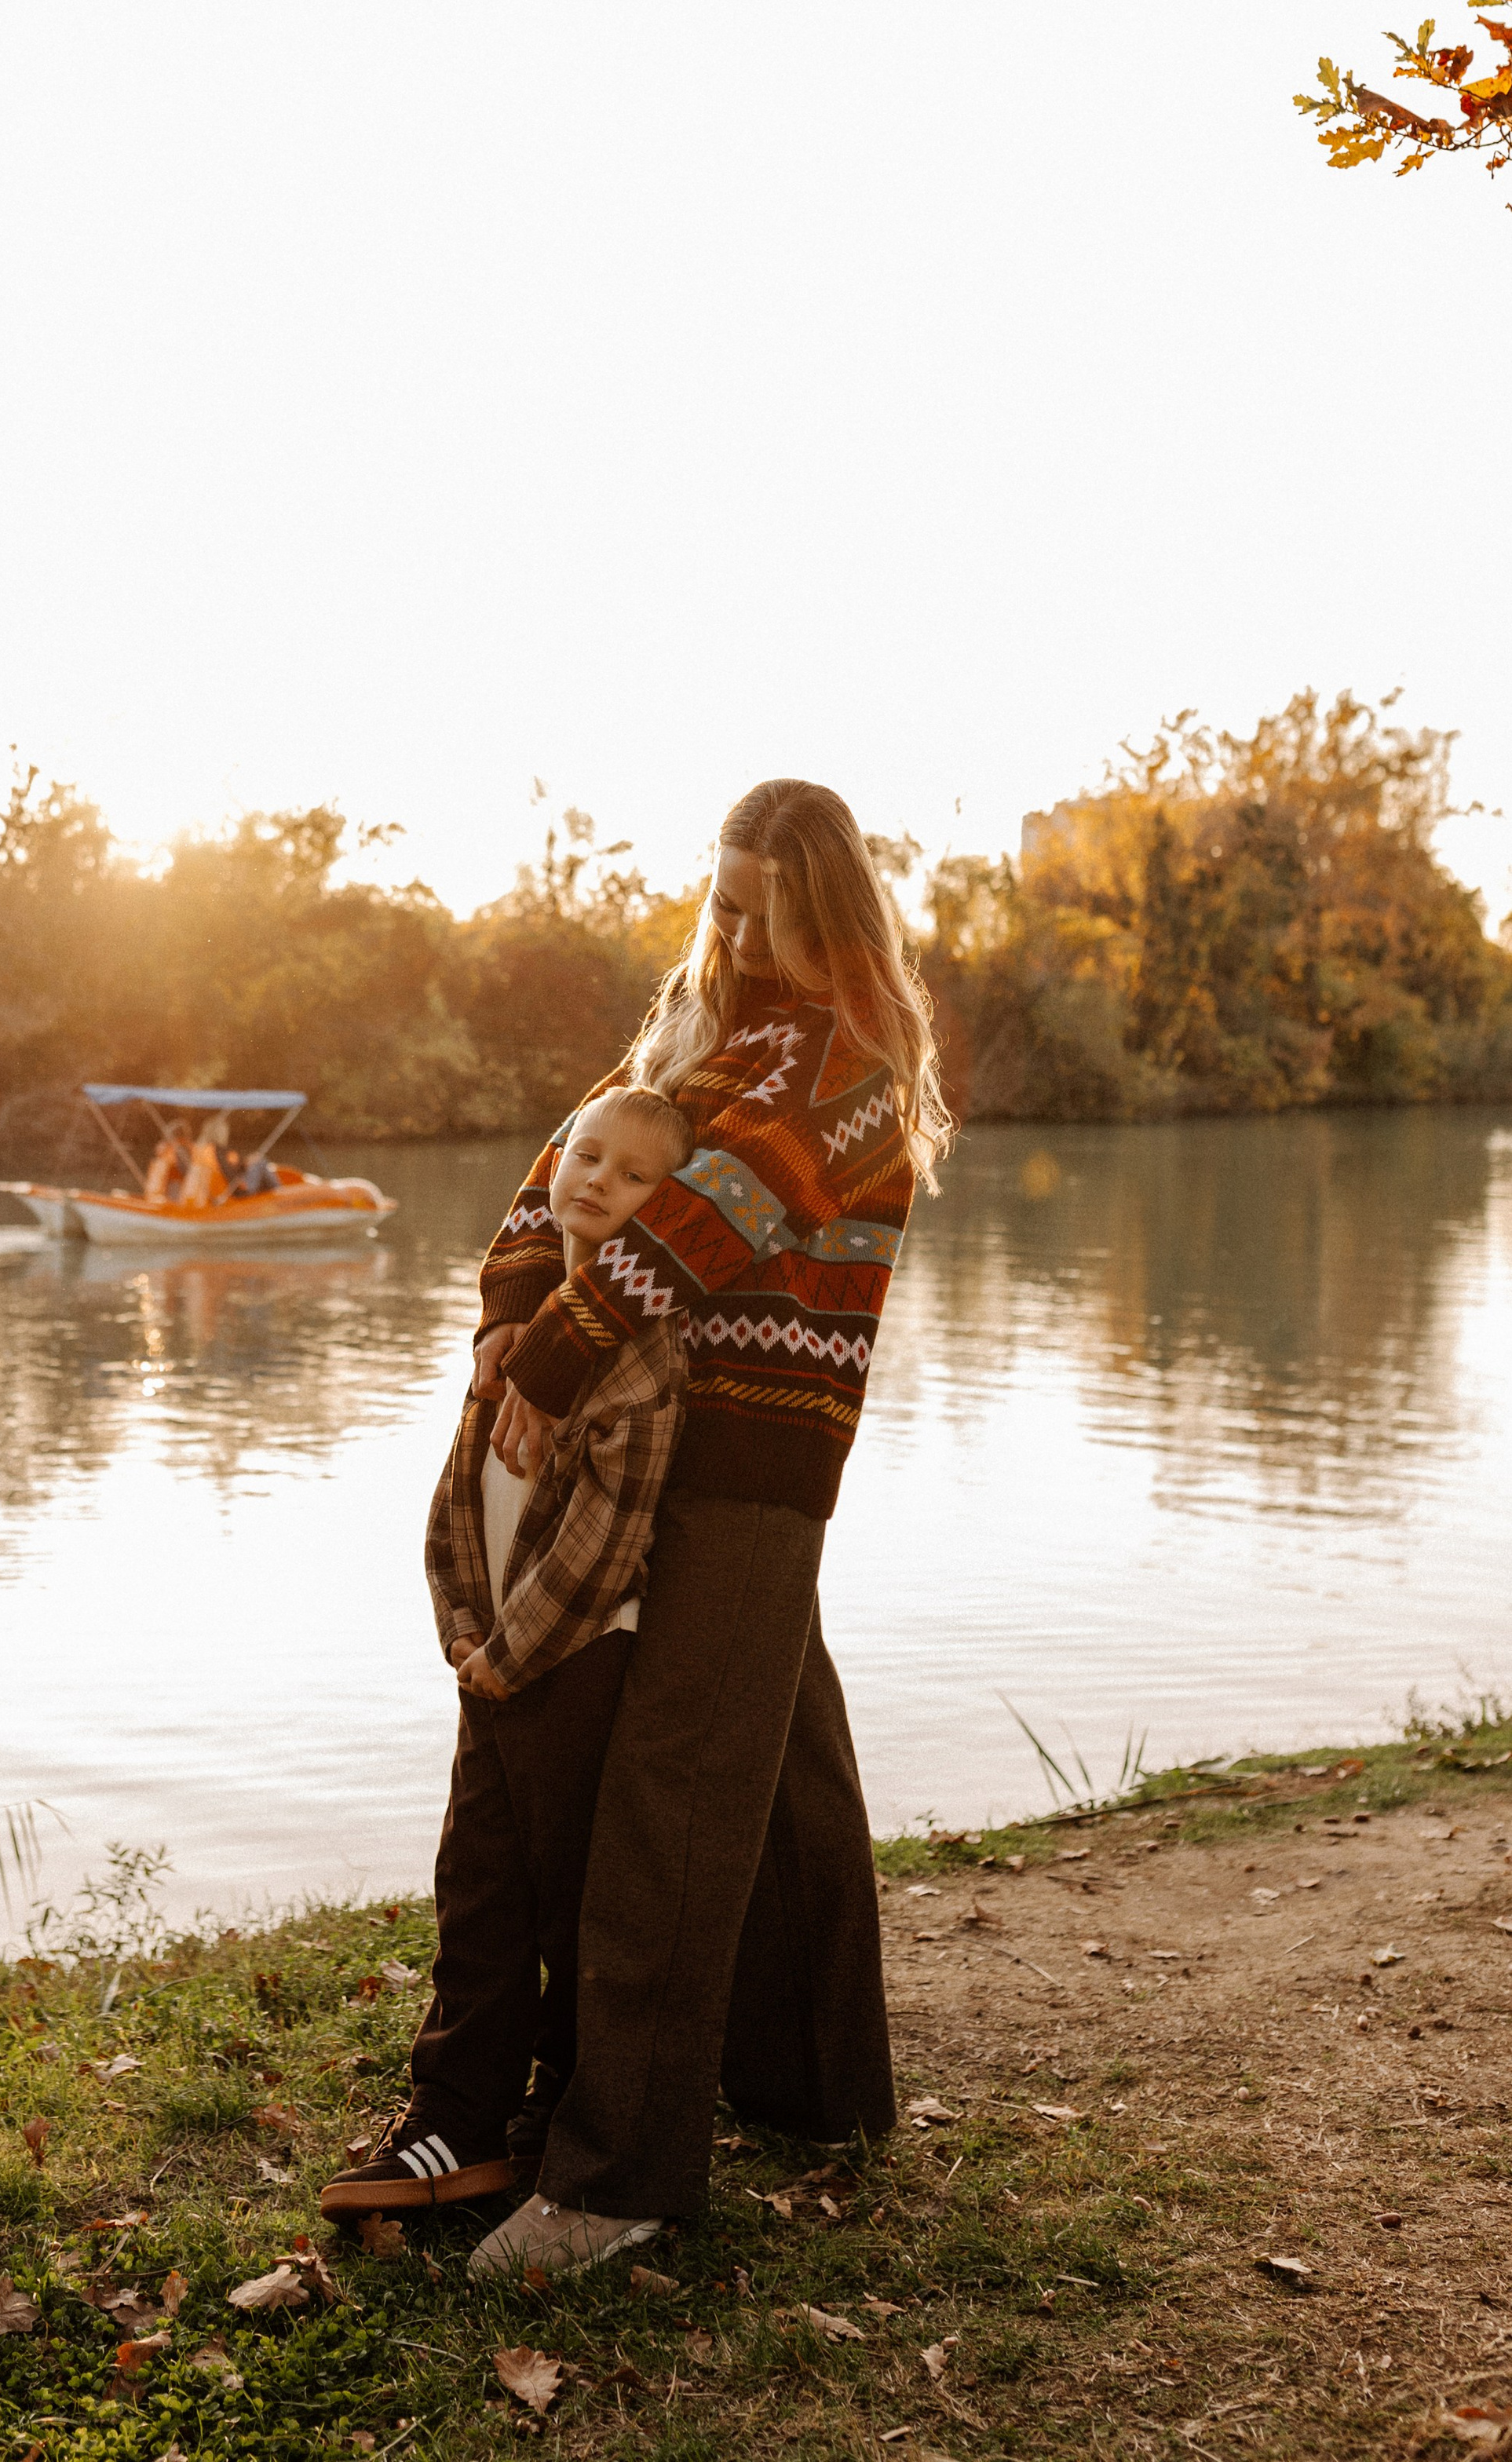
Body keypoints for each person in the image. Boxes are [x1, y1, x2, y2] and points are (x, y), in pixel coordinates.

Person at [464, 776, 954, 2281]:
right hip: (657, 1440)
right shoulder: (700, 1032)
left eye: (769, 912)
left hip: (758, 1450)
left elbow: (703, 1221)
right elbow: (567, 1172)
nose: (737, 933)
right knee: (780, 1751)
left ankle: (619, 2178)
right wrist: (505, 1317)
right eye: (725, 901)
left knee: (676, 1788)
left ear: (830, 909)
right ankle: (819, 2092)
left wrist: (551, 1355)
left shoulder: (849, 1051)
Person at [316, 1087, 695, 2224]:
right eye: (587, 1157)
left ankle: (549, 2116)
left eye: (635, 1177)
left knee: (566, 1899)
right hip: (494, 1662)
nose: (599, 1182)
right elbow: (456, 1499)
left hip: (575, 1666)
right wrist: (463, 1630)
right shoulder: (522, 1332)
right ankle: (453, 2121)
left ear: (671, 1211)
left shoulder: (644, 1358)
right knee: (475, 1888)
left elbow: (607, 1543)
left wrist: (514, 1652)